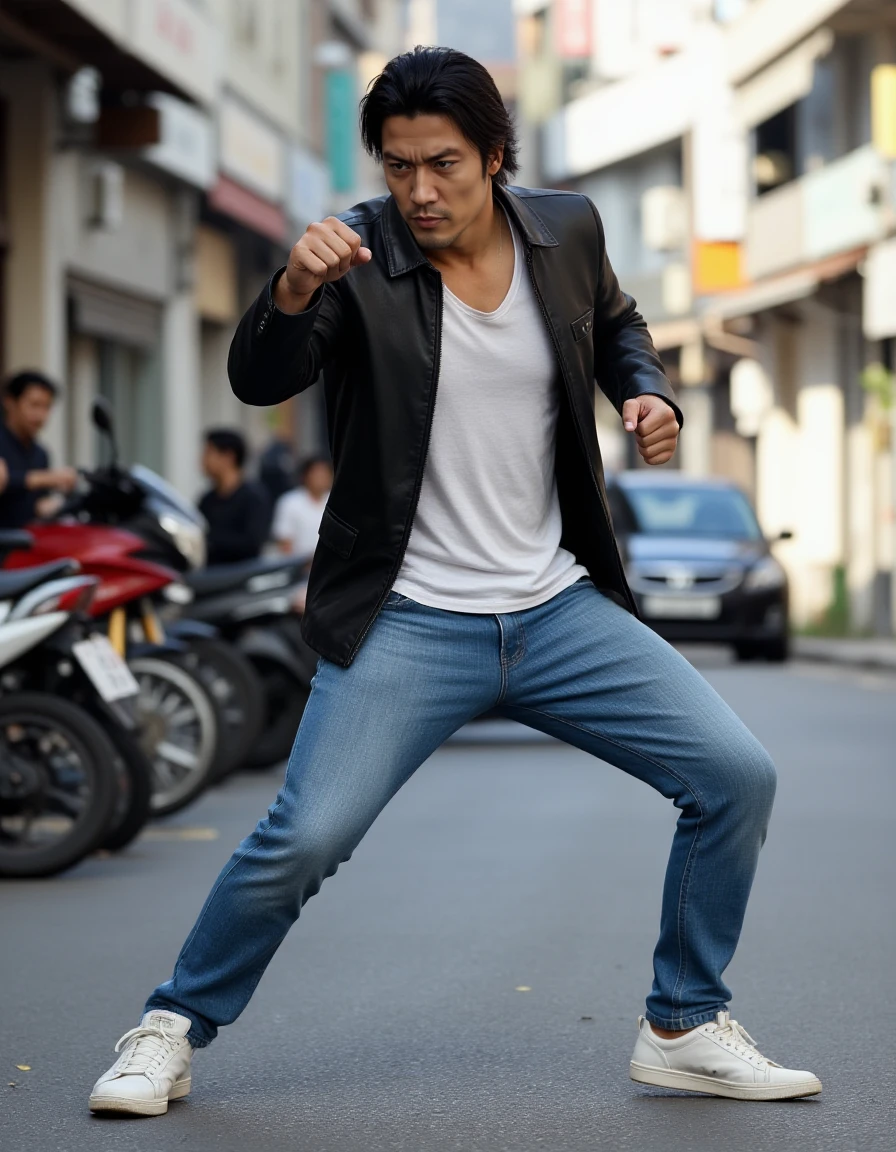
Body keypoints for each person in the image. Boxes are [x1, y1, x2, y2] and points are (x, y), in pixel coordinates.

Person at [89, 48, 820, 1117]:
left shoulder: (565, 230)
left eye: (442, 165)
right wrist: (292, 286)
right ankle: (169, 1027)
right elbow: (259, 376)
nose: (418, 192)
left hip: (556, 606)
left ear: (492, 157)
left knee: (735, 778)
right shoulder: (355, 259)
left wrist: (643, 394)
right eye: (396, 168)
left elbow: (615, 323)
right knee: (304, 836)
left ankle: (682, 1022)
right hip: (410, 619)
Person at [0, 370, 77, 528]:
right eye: (34, 405)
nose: (41, 415)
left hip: (28, 543)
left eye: (47, 407)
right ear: (10, 402)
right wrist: (43, 479)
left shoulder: (40, 454)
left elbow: (38, 505)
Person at [197, 429, 270, 566]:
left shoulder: (253, 497)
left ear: (228, 457)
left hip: (242, 579)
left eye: (208, 453)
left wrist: (211, 539)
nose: (203, 460)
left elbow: (252, 544)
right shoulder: (206, 500)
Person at [272, 455, 333, 560]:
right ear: (305, 475)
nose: (321, 478)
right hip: (297, 568)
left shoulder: (335, 501)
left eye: (325, 474)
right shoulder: (289, 502)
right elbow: (285, 543)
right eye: (317, 474)